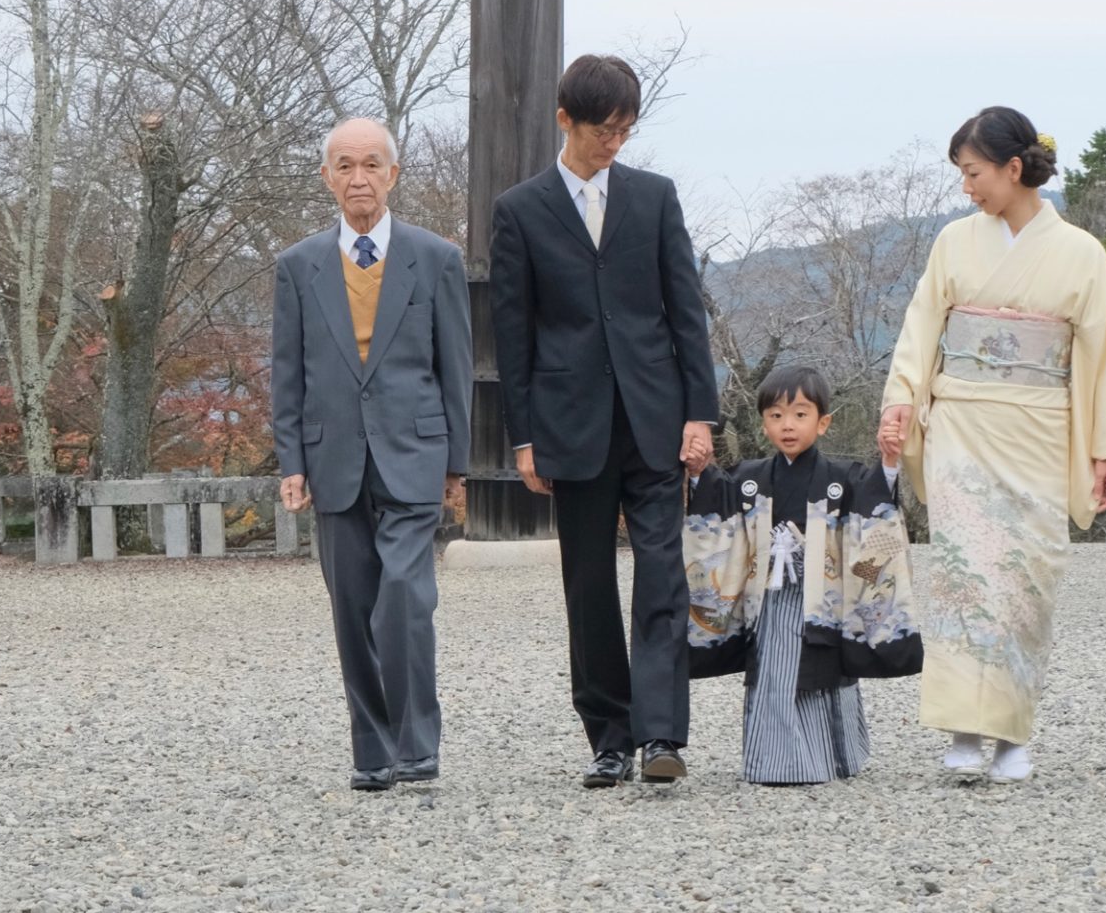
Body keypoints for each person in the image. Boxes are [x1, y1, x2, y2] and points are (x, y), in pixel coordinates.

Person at [879, 106, 1106, 783]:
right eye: (961, 175)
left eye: (973, 173)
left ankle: (1011, 736)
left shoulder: (1079, 252)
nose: (966, 187)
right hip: (962, 424)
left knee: (1025, 578)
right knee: (962, 572)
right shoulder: (954, 243)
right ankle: (964, 730)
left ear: (1013, 167)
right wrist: (901, 401)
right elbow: (922, 327)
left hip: (1038, 427)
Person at [489, 54, 718, 789]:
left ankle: (660, 736)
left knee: (661, 577)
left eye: (624, 130)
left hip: (654, 419)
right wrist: (522, 437)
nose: (613, 143)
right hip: (569, 423)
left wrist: (700, 415)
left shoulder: (655, 198)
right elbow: (512, 334)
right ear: (565, 120)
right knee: (586, 583)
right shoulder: (519, 210)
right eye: (600, 130)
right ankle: (608, 738)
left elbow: (687, 314)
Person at [270, 117, 472, 792]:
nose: (360, 178)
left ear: (394, 174)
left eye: (372, 165)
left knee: (403, 597)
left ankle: (418, 743)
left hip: (414, 451)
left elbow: (455, 366)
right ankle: (373, 751)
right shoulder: (298, 266)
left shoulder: (434, 257)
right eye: (345, 166)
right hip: (333, 458)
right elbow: (288, 371)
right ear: (327, 177)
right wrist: (291, 459)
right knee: (352, 605)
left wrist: (458, 465)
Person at [682, 364, 922, 786]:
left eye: (799, 414)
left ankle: (824, 758)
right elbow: (716, 511)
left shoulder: (843, 478)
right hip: (770, 601)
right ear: (763, 423)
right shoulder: (749, 479)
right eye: (775, 416)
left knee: (818, 673)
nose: (787, 426)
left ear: (823, 422)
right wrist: (700, 472)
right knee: (775, 674)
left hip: (821, 601)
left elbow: (874, 519)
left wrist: (888, 462)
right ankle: (773, 761)